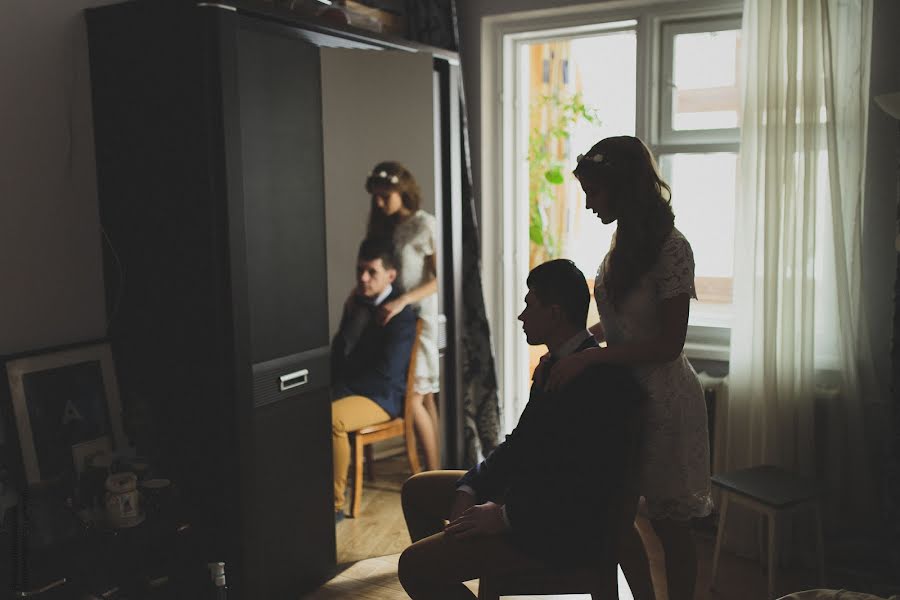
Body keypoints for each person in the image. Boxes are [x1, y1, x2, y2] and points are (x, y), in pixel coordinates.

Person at [397, 259, 644, 600]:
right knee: (416, 491)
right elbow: (519, 446)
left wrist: (504, 516)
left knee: (413, 565)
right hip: (528, 499)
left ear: (555, 314)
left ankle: (445, 571)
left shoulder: (597, 382)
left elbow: (583, 483)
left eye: (529, 305)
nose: (521, 316)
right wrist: (471, 487)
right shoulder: (554, 366)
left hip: (555, 530)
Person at [546, 136, 714, 600]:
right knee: (614, 516)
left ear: (621, 188)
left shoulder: (672, 249)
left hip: (663, 399)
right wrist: (584, 341)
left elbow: (667, 343)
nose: (587, 204)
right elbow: (625, 321)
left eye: (594, 192)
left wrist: (591, 356)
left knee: (668, 524)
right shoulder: (624, 242)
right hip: (621, 397)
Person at [331, 237, 417, 521]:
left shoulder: (401, 314)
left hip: (381, 396)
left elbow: (386, 374)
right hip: (350, 387)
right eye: (359, 271)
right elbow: (339, 350)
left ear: (390, 275)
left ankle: (333, 506)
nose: (363, 278)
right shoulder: (355, 303)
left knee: (333, 419)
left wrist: (340, 389)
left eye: (371, 272)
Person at [364, 161, 441, 471]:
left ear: (402, 191)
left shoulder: (425, 224)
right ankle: (440, 470)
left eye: (385, 196)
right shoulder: (384, 227)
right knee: (426, 398)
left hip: (420, 318)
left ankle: (432, 475)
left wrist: (404, 301)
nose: (380, 204)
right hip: (395, 321)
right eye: (376, 198)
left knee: (416, 399)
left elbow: (440, 278)